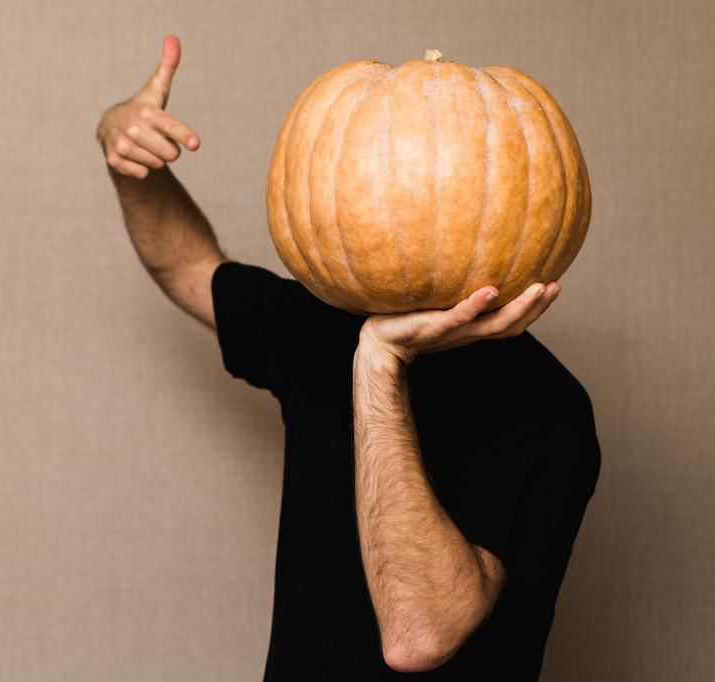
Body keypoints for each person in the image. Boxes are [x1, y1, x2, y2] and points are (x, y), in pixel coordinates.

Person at [95, 34, 601, 681]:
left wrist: (379, 367)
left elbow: (417, 637)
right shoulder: (322, 325)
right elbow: (186, 265)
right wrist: (128, 159)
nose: (418, 206)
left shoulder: (547, 409)